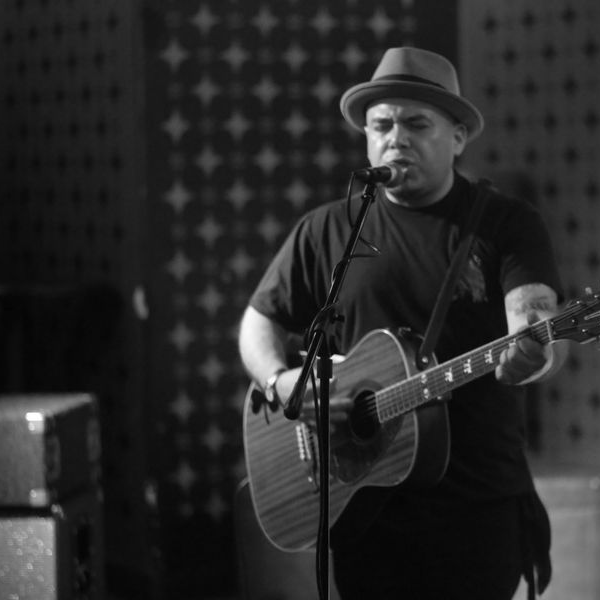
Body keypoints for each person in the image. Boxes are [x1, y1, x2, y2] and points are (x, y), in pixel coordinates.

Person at [238, 46, 567, 599]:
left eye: (417, 124)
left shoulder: (505, 224)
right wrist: (281, 380)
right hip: (364, 504)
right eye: (382, 125)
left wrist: (533, 353)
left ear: (457, 138)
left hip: (476, 506)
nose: (396, 138)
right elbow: (258, 322)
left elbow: (533, 323)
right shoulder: (327, 230)